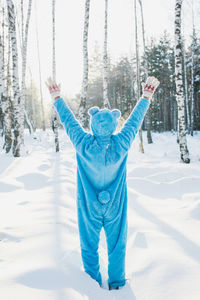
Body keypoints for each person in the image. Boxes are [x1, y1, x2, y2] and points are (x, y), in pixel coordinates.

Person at [46, 76, 159, 290]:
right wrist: (145, 97)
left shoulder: (83, 143)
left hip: (89, 207)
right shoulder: (121, 143)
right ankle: (117, 283)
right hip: (115, 207)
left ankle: (92, 283)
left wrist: (57, 98)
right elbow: (134, 122)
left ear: (93, 123)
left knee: (89, 246)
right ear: (115, 123)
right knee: (117, 245)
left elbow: (69, 122)